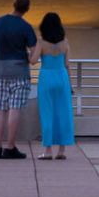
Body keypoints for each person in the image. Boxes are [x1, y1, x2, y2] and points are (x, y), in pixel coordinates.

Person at [0, 0, 37, 159]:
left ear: (13, 5)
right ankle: (10, 147)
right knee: (14, 109)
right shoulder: (26, 27)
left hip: (0, 71)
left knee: (0, 109)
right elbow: (34, 50)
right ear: (26, 10)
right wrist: (30, 59)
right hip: (20, 73)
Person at [30, 12, 75, 160]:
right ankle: (61, 151)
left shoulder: (41, 42)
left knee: (47, 113)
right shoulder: (65, 42)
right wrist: (70, 85)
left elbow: (33, 61)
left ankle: (48, 151)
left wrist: (27, 53)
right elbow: (67, 65)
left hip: (47, 77)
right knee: (64, 113)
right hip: (62, 77)